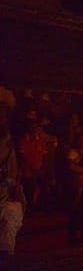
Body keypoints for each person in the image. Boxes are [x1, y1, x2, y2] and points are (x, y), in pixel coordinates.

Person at [0, 97, 24, 259]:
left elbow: (13, 164)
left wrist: (15, 182)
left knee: (11, 216)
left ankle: (6, 251)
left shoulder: (8, 138)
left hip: (7, 185)